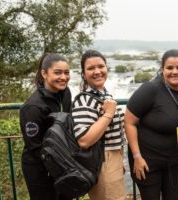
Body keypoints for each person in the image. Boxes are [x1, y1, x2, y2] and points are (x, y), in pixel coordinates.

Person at [124, 49, 178, 200]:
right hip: (148, 163)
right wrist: (137, 157)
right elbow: (129, 122)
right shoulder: (150, 89)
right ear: (162, 69)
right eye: (169, 68)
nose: (175, 72)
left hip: (175, 162)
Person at [71, 50, 127, 200]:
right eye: (90, 68)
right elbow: (84, 140)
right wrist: (108, 114)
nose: (97, 72)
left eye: (101, 66)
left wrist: (119, 160)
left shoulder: (104, 94)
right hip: (102, 162)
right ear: (83, 73)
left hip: (112, 159)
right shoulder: (84, 100)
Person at [20, 53, 72, 200]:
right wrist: (59, 165)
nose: (63, 77)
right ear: (44, 73)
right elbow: (35, 147)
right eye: (57, 72)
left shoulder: (66, 93)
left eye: (66, 72)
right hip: (39, 168)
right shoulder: (33, 107)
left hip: (63, 163)